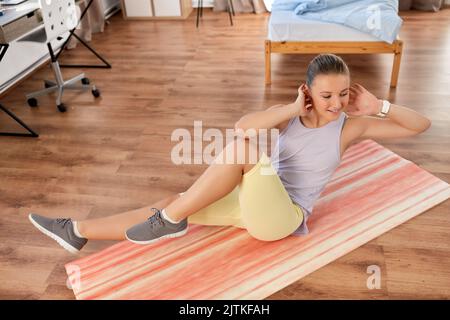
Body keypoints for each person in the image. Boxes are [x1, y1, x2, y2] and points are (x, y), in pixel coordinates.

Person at [28, 54, 431, 254]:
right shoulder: (290, 114)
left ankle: (169, 221)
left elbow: (420, 126)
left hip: (282, 216)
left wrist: (378, 105)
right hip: (249, 203)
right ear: (307, 91)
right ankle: (77, 230)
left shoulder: (349, 127)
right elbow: (243, 125)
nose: (337, 103)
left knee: (241, 153)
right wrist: (293, 108)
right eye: (327, 95)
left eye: (343, 94)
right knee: (172, 203)